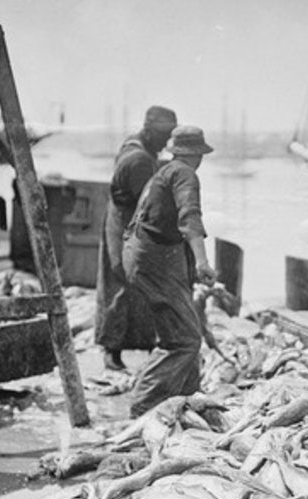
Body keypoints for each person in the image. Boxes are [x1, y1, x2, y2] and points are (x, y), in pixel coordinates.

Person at [122, 125, 216, 419]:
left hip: (143, 256)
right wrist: (202, 263)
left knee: (180, 329)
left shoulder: (164, 171)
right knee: (184, 340)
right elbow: (190, 218)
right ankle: (143, 408)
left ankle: (189, 399)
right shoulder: (186, 174)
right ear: (197, 155)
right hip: (155, 261)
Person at [95, 105, 178, 372]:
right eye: (164, 136)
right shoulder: (139, 160)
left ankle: (142, 344)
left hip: (125, 219)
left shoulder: (138, 146)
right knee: (122, 284)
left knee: (137, 285)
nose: (167, 142)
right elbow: (150, 204)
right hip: (124, 226)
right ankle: (111, 351)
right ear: (150, 131)